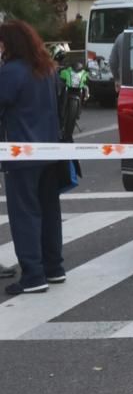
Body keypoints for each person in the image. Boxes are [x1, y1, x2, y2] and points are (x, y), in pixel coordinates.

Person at [0, 21, 64, 295]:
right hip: (51, 150)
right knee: (49, 210)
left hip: (22, 152)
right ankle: (54, 267)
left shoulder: (11, 72)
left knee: (25, 213)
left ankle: (33, 274)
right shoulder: (45, 69)